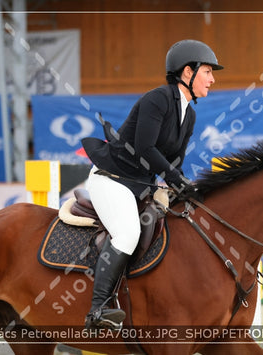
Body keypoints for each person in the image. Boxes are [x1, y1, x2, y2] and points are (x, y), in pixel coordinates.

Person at [81, 39, 223, 330]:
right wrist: (174, 178)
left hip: (140, 187)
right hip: (112, 179)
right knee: (128, 232)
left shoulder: (190, 114)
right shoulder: (157, 99)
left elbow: (175, 161)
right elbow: (145, 148)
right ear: (188, 73)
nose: (212, 78)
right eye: (207, 71)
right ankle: (98, 309)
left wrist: (182, 186)